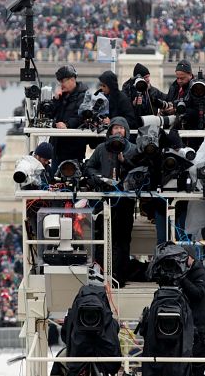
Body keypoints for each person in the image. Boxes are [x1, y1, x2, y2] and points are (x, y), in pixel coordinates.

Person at [85, 117, 138, 283]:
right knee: (104, 237)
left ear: (126, 131)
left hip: (125, 201)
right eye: (116, 128)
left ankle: (120, 276)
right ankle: (102, 274)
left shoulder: (133, 149)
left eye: (122, 128)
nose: (119, 131)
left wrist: (125, 161)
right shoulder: (102, 148)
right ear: (110, 131)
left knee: (123, 239)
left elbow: (140, 171)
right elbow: (89, 166)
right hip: (105, 199)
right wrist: (98, 178)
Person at [48, 64, 87, 173]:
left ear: (72, 79)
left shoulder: (83, 96)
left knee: (71, 180)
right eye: (59, 82)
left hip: (73, 148)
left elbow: (81, 116)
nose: (61, 84)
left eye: (63, 81)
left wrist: (67, 125)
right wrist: (56, 100)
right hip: (57, 147)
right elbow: (50, 115)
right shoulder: (62, 95)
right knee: (55, 180)